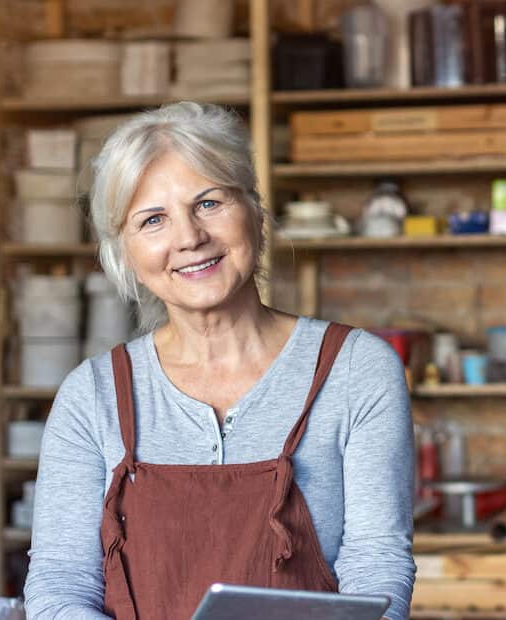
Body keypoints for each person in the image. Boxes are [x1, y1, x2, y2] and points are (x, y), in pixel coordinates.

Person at [24, 102, 415, 619]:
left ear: (254, 210)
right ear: (126, 255)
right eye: (153, 220)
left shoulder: (356, 370)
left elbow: (377, 567)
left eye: (208, 203)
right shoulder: (91, 395)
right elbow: (60, 583)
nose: (188, 238)